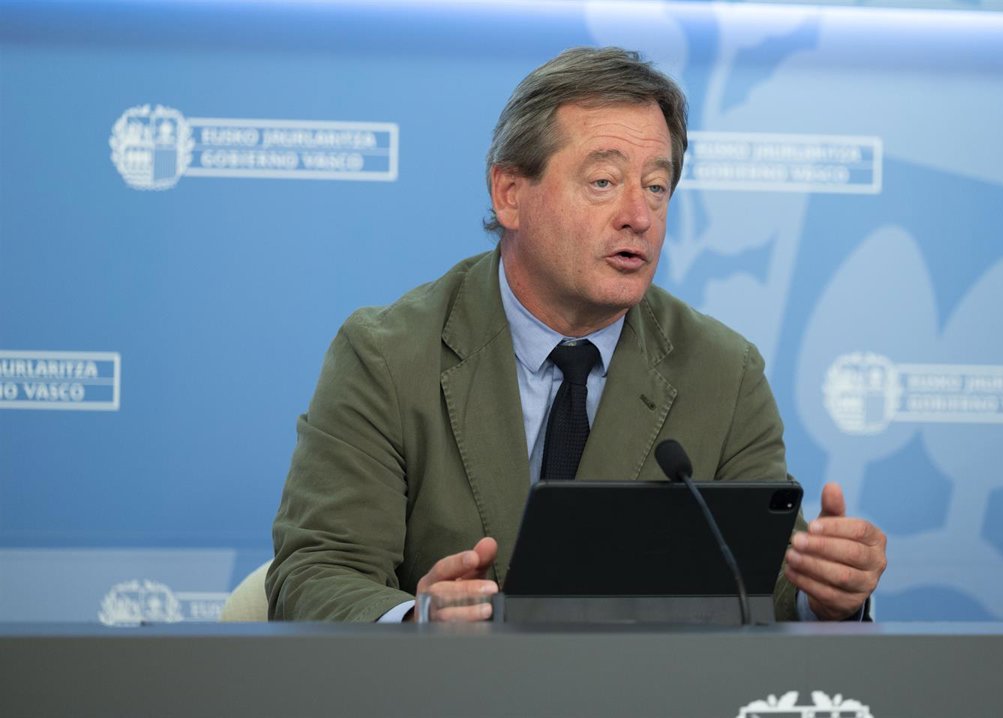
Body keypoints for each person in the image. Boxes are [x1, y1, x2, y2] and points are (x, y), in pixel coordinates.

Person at [267, 47, 886, 623]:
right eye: (603, 182)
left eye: (656, 187)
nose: (638, 217)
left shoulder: (723, 373)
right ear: (510, 193)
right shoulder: (387, 356)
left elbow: (769, 590)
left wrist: (827, 596)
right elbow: (315, 572)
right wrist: (416, 620)